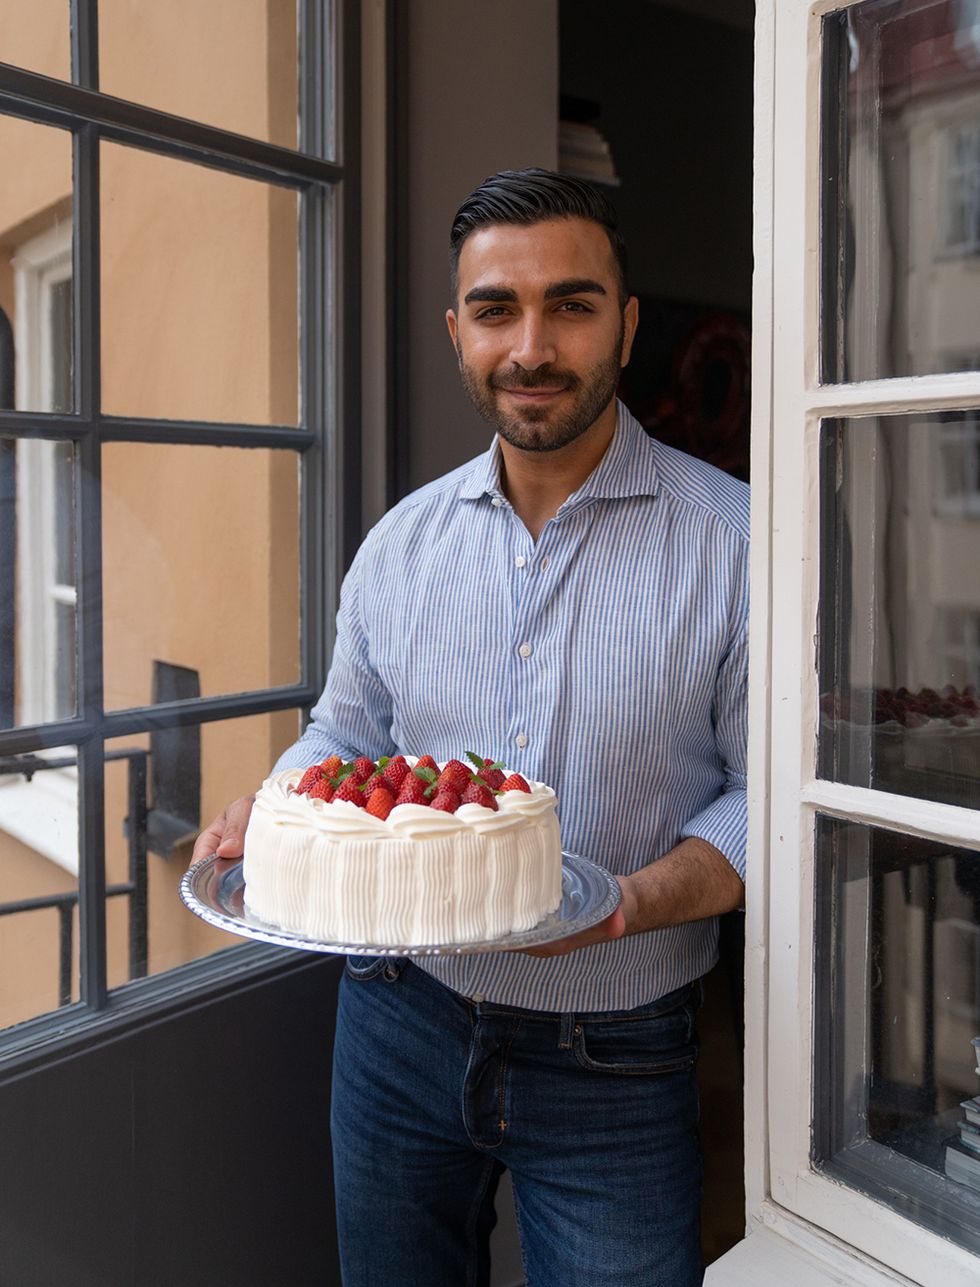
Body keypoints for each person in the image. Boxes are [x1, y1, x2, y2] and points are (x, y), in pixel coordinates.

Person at [192, 168, 748, 1287]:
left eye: (571, 305)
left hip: (618, 1045)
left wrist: (627, 905)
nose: (530, 347)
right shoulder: (399, 546)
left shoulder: (734, 543)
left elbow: (763, 797)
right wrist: (282, 800)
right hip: (398, 1019)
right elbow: (343, 731)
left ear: (625, 326)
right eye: (496, 310)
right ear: (457, 333)